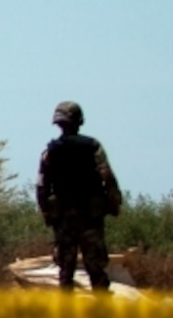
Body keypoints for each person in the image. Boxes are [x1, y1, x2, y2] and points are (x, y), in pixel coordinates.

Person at [34, 101, 122, 293]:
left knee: (66, 271)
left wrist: (47, 214)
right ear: (79, 121)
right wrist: (113, 204)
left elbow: (41, 187)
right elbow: (107, 176)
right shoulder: (92, 147)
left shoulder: (50, 152)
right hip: (90, 217)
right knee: (96, 269)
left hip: (64, 219)